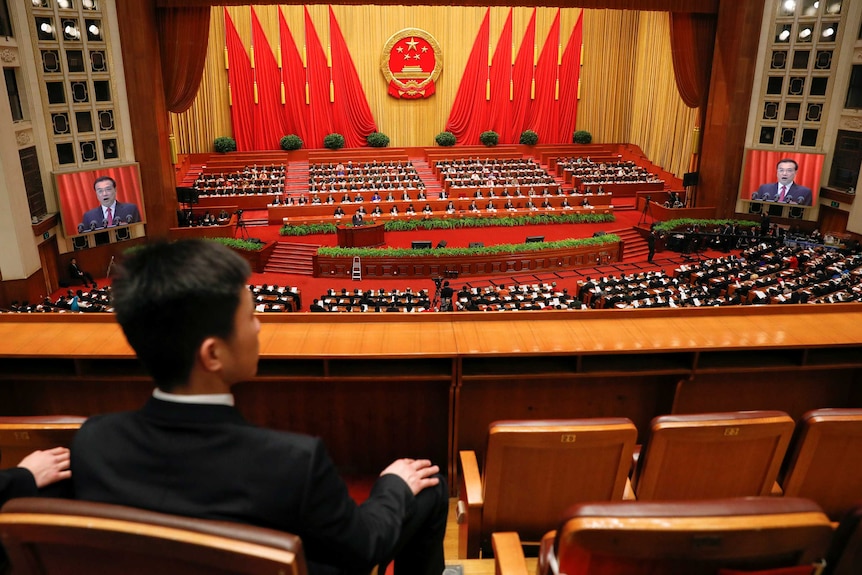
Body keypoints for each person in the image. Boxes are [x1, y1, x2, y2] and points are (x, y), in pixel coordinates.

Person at [70, 240, 448, 575]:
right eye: (250, 315)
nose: (259, 326)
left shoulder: (93, 442)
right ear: (213, 354)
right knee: (428, 488)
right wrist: (393, 486)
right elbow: (364, 548)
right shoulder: (293, 462)